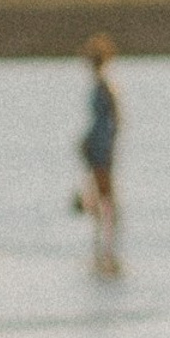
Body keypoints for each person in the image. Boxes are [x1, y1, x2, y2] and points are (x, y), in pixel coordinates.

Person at [77, 35, 121, 272]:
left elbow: (114, 118)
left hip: (102, 144)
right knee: (97, 191)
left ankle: (108, 241)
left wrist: (107, 144)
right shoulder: (99, 84)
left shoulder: (104, 85)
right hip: (97, 142)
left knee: (105, 192)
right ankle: (102, 240)